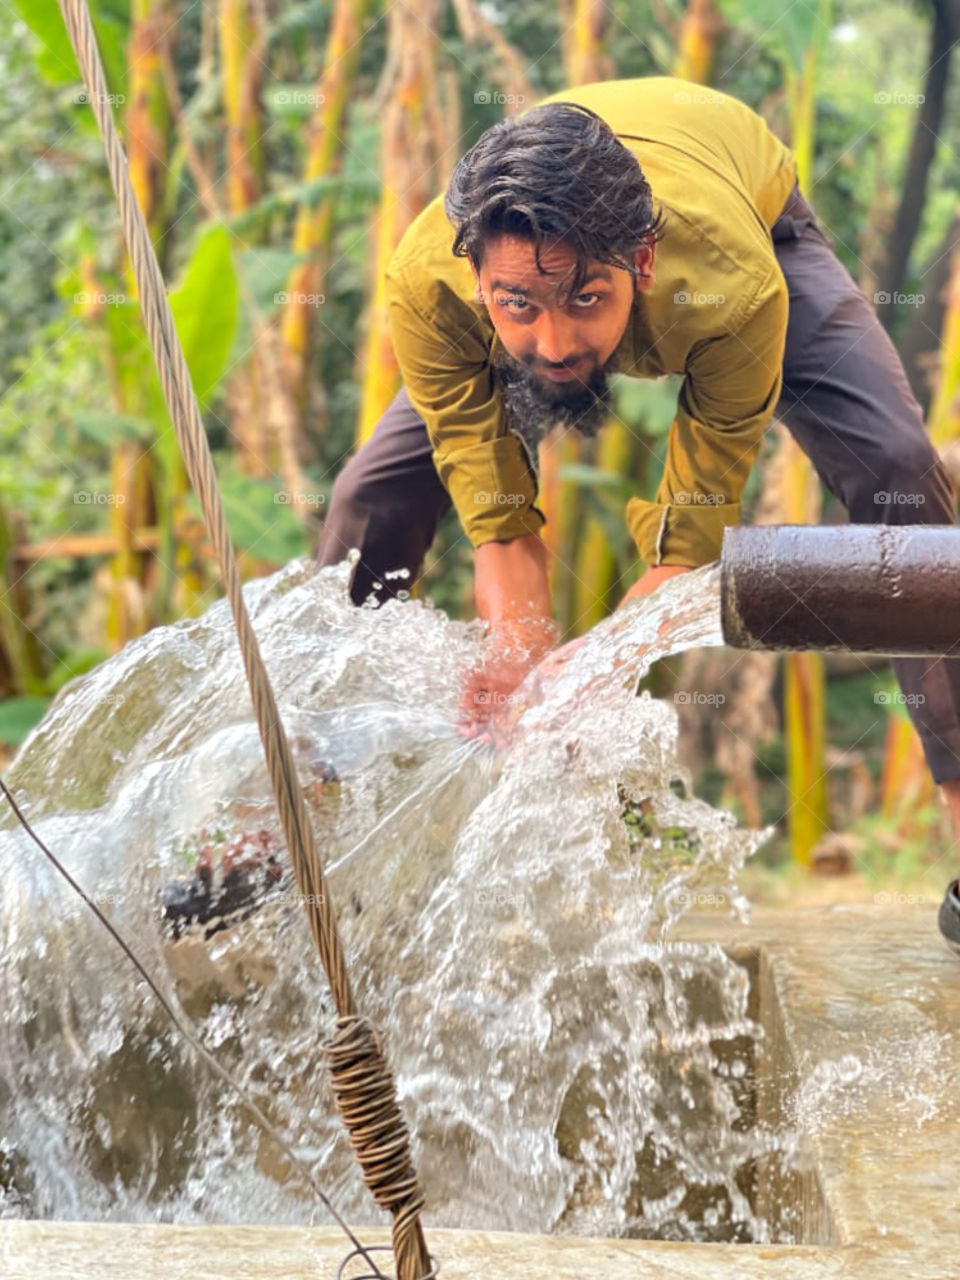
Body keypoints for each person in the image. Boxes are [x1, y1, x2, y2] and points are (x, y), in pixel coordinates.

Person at [315, 76, 960, 949]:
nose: (552, 343)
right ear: (477, 277)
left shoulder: (734, 286)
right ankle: (295, 805)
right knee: (368, 497)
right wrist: (519, 668)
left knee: (895, 470)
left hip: (749, 211)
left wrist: (580, 685)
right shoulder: (431, 288)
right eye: (518, 309)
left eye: (586, 299)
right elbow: (502, 522)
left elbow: (685, 540)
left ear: (642, 265)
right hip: (548, 251)